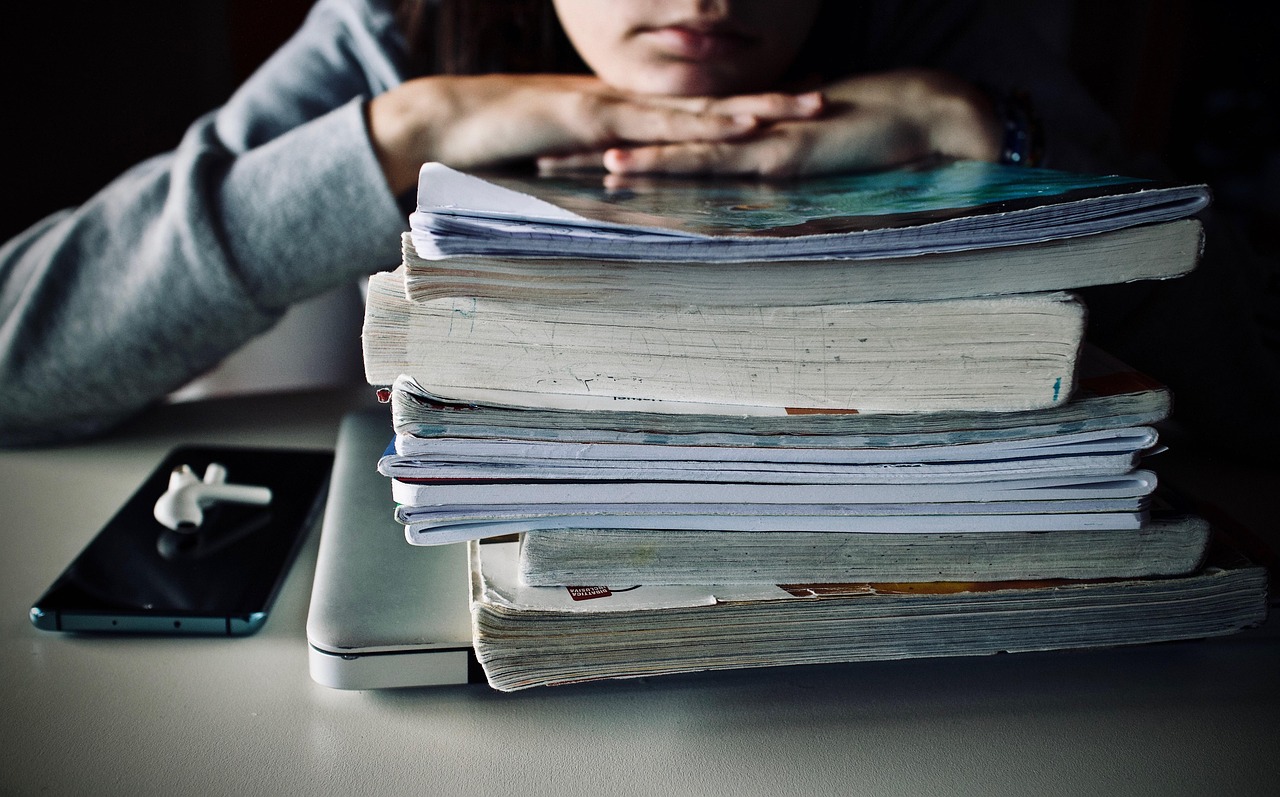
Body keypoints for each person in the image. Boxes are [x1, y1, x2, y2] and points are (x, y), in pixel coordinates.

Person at [0, 0, 1274, 452]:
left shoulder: (923, 33)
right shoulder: (396, 30)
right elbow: (20, 352)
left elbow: (1256, 377)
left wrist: (974, 130)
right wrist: (401, 131)